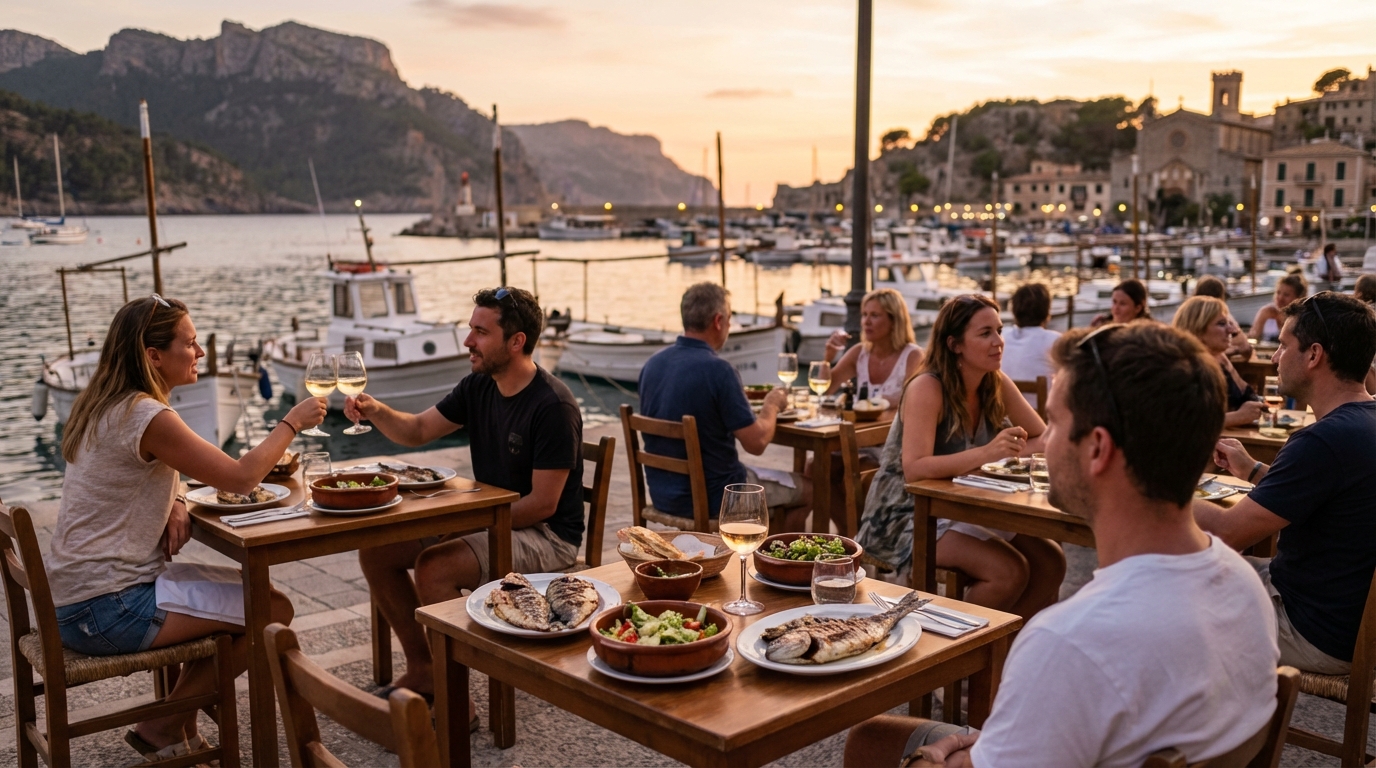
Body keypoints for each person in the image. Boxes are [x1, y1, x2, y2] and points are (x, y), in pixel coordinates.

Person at [845, 322, 1279, 768]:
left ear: (1097, 450)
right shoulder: (1246, 586)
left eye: (1052, 421)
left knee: (869, 742)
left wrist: (933, 755)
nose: (1043, 441)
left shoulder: (1070, 642)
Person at [50, 295, 318, 760]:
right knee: (270, 609)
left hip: (74, 601)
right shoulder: (145, 415)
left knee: (247, 595)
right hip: (106, 609)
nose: (201, 354)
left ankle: (178, 723)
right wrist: (292, 421)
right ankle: (164, 725)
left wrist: (175, 499)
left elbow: (156, 467)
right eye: (190, 344)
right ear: (153, 356)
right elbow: (239, 478)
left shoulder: (104, 404)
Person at [348, 287, 584, 712]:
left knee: (434, 566)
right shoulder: (478, 386)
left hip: (548, 536)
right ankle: (424, 668)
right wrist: (375, 409)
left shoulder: (553, 405)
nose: (468, 341)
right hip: (491, 520)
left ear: (517, 342)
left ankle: (457, 703)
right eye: (470, 329)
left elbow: (543, 504)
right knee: (376, 551)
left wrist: (464, 522)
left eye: (480, 332)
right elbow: (418, 430)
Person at [1197, 291, 1376, 675]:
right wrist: (1252, 471)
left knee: (1161, 597)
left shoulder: (1324, 440)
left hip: (1312, 629)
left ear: (1313, 356)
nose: (1275, 358)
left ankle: (1217, 729)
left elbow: (1229, 534)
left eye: (1282, 346)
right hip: (1352, 619)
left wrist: (1145, 491)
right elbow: (1326, 499)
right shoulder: (1362, 424)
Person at [856, 295, 1063, 614]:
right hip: (907, 516)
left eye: (999, 330)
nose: (998, 342)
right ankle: (962, 654)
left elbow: (1044, 438)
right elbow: (915, 470)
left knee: (1051, 562)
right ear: (955, 344)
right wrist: (988, 454)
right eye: (985, 334)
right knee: (1008, 573)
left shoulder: (995, 382)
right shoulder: (927, 387)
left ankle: (1004, 651)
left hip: (968, 504)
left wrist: (1001, 454)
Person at [638, 282, 812, 529]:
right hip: (717, 497)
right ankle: (770, 563)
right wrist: (771, 405)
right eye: (730, 319)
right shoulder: (719, 371)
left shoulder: (652, 365)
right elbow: (757, 443)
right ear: (718, 321)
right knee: (808, 490)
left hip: (664, 494)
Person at [1173, 296, 1268, 427]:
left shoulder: (1220, 358)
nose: (1231, 330)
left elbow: (1248, 397)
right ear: (1198, 330)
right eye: (1222, 324)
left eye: (1229, 323)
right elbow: (1183, 423)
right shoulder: (1185, 369)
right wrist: (1237, 417)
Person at [821, 287, 924, 408]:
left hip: (896, 427)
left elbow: (915, 400)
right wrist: (827, 359)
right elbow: (825, 390)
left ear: (894, 321)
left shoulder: (913, 356)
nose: (866, 321)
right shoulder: (859, 352)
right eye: (864, 315)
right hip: (862, 426)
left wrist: (878, 401)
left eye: (874, 315)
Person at [1000, 283, 1059, 412]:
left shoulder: (1001, 336)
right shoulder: (1054, 340)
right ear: (1047, 311)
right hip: (1038, 419)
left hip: (1002, 415)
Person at [1250, 272, 1307, 342]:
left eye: (1286, 295)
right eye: (1278, 292)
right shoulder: (1266, 312)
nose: (1280, 298)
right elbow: (1253, 338)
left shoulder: (1303, 318)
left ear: (1298, 298)